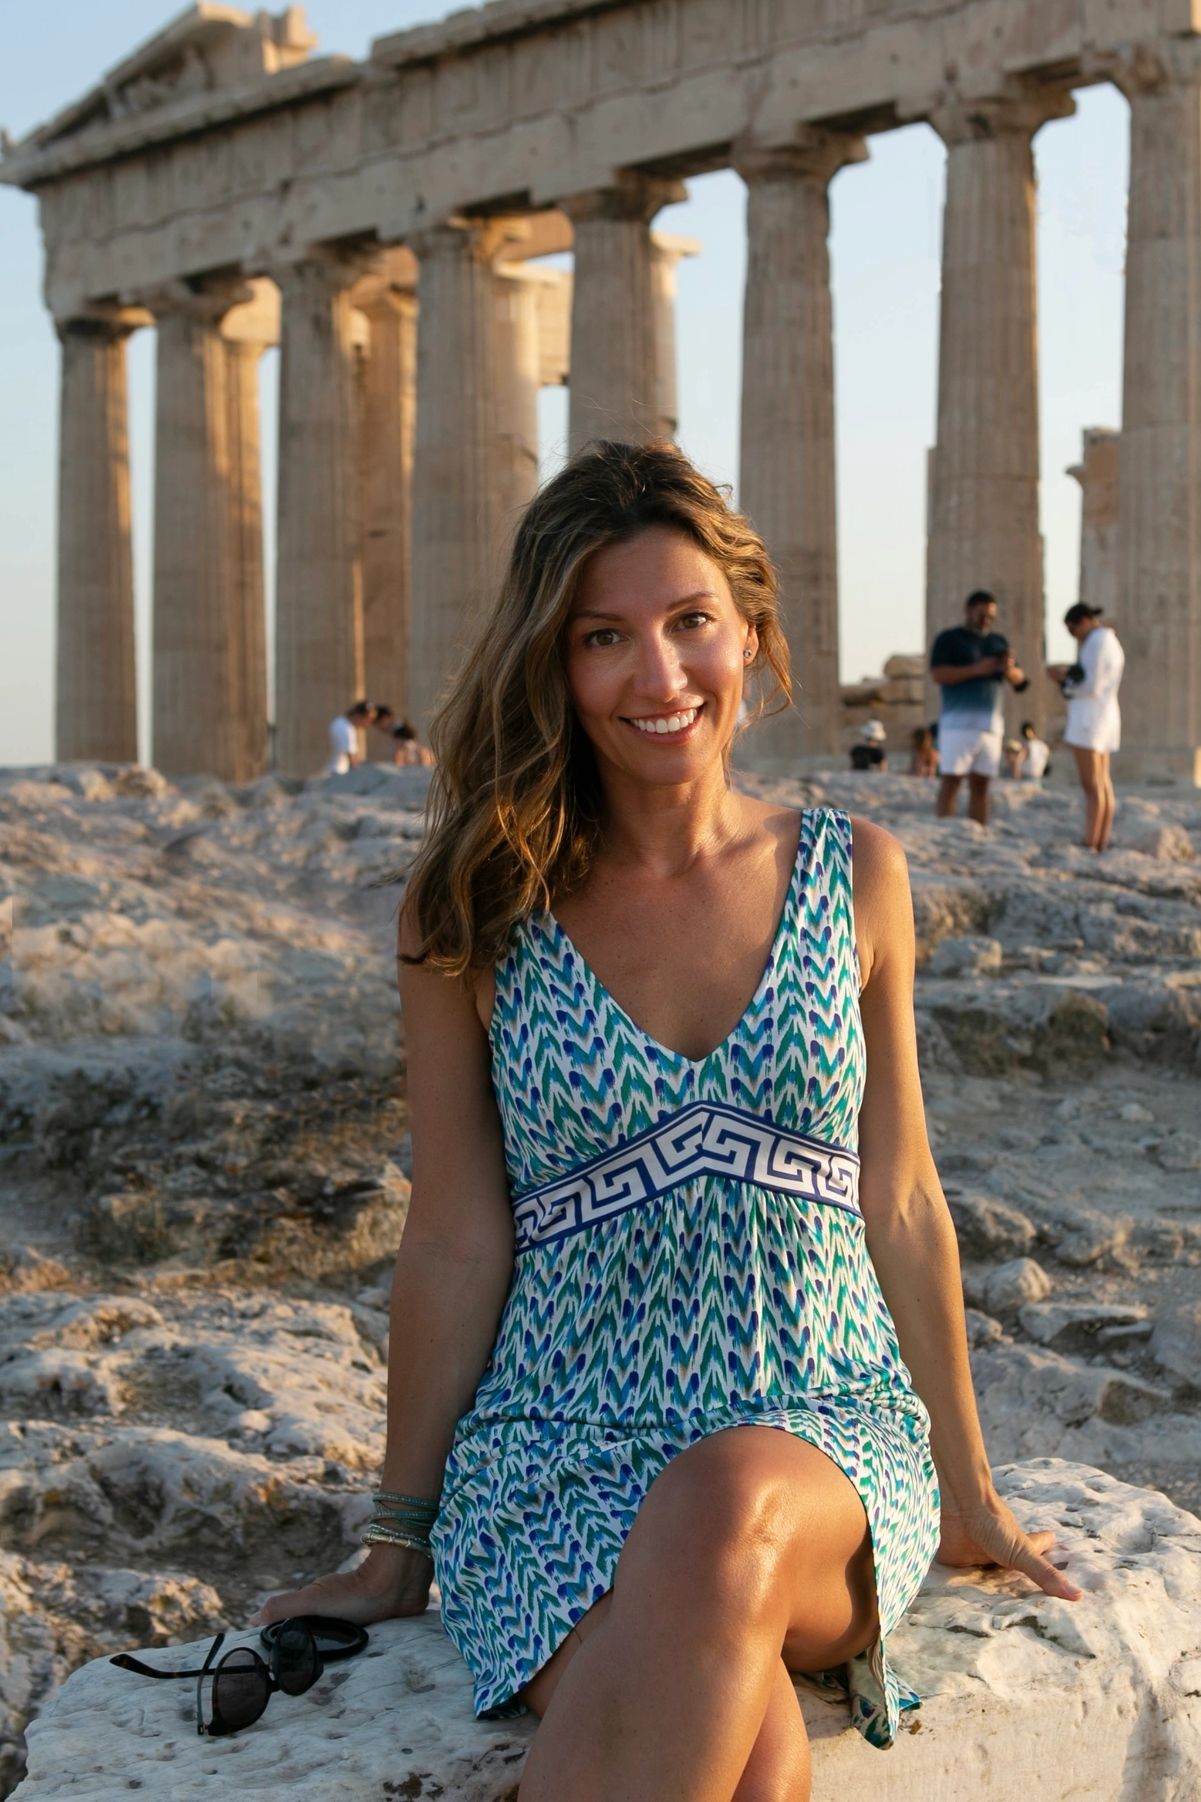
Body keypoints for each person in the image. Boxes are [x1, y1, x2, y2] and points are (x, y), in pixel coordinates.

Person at [255, 443, 1080, 1802]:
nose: (658, 674)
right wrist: (399, 1542)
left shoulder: (855, 872)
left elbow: (901, 1195)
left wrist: (971, 1488)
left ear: (749, 630)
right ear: (554, 661)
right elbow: (454, 1234)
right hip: (554, 1451)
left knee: (718, 1506)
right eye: (603, 636)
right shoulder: (472, 907)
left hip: (821, 1434)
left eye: (690, 620)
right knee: (749, 1762)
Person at [929, 590, 1029, 826]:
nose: (986, 620)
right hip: (957, 724)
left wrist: (1009, 670)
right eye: (982, 614)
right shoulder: (949, 639)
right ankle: (944, 827)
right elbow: (938, 674)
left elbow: (1021, 682)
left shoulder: (998, 642)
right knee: (951, 780)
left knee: (982, 784)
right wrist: (977, 669)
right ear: (968, 611)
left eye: (991, 616)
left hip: (990, 726)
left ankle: (978, 830)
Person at [1048, 602, 1124, 852]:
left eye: (1072, 630)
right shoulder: (1110, 641)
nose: (1073, 636)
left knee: (1091, 785)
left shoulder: (1096, 643)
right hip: (1103, 717)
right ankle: (1100, 840)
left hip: (1089, 720)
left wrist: (1063, 679)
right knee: (1102, 783)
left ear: (1083, 622)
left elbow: (1091, 686)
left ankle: (1090, 840)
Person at [326, 699, 374, 775]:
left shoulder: (340, 722)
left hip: (334, 772)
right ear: (358, 716)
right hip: (338, 773)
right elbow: (352, 760)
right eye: (368, 719)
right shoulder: (346, 728)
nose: (369, 724)